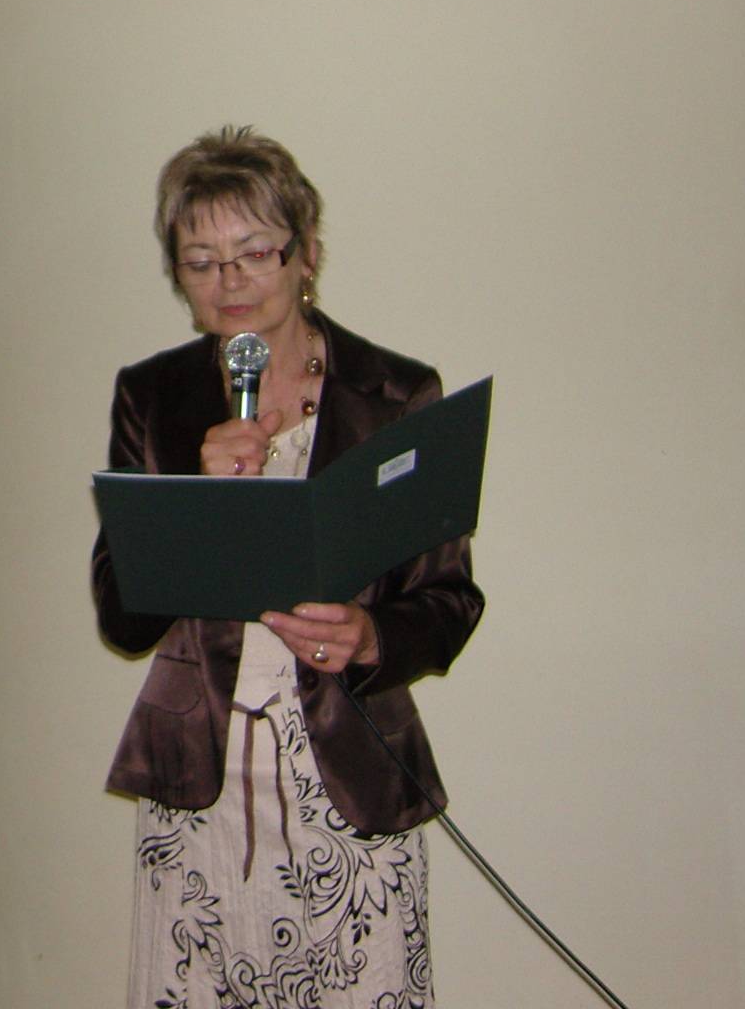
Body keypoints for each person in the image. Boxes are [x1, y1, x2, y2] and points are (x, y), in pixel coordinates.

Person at [90, 126, 484, 1007]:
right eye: (200, 262)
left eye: (254, 252)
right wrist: (197, 497)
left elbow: (451, 600)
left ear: (307, 254)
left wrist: (371, 634)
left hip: (352, 775)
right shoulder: (153, 397)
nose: (229, 281)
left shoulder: (395, 394)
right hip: (201, 785)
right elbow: (121, 615)